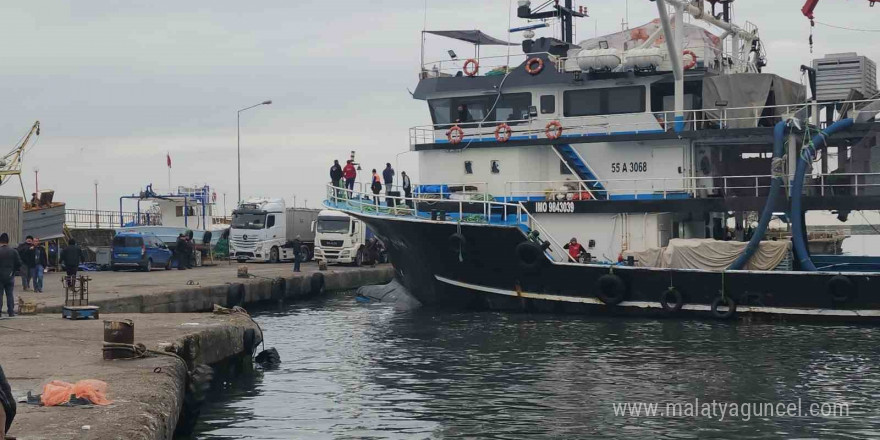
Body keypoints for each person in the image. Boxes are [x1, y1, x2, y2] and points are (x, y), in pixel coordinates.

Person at [0, 233, 23, 318]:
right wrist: (13, 271)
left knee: (0, 294)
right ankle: (11, 312)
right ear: (8, 241)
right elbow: (19, 263)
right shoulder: (13, 251)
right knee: (9, 294)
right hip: (10, 276)